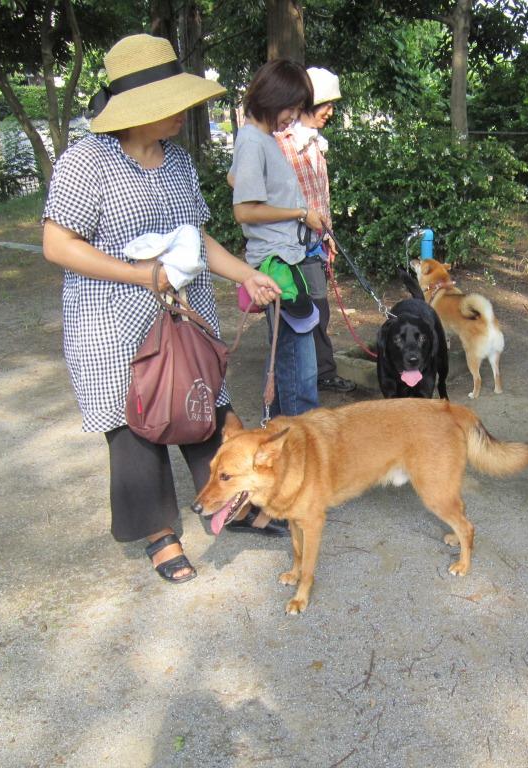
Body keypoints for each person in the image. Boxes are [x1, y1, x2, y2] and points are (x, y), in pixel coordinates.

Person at [41, 34, 282, 582]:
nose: (183, 112)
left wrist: (247, 274)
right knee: (134, 424)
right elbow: (58, 244)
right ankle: (159, 532)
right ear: (137, 108)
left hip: (183, 315)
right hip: (113, 322)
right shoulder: (86, 162)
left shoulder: (178, 161)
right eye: (171, 103)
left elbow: (198, 237)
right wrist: (141, 275)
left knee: (202, 406)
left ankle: (231, 500)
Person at [225, 59, 324, 533]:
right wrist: (301, 212)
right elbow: (244, 209)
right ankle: (295, 485)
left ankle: (291, 481)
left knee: (297, 370)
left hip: (289, 260)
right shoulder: (252, 139)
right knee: (297, 375)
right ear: (275, 99)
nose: (294, 116)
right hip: (277, 267)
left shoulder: (259, 140)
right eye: (292, 107)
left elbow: (239, 183)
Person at [275, 66, 356, 394]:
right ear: (310, 101)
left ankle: (319, 371)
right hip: (288, 247)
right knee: (301, 311)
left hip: (314, 244)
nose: (331, 112)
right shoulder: (282, 142)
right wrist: (300, 216)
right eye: (327, 104)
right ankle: (307, 377)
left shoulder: (314, 145)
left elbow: (321, 197)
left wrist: (328, 235)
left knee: (318, 309)